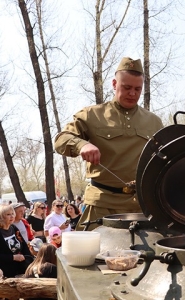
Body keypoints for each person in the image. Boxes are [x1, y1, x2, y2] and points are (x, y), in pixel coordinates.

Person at [54, 57, 164, 230]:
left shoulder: (154, 122)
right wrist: (81, 145)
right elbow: (61, 139)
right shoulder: (92, 115)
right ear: (114, 84)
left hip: (142, 206)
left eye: (137, 89)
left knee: (146, 256)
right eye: (126, 87)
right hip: (101, 205)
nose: (132, 93)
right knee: (89, 255)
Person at [0, 204, 34, 278]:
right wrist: (13, 257)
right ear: (1, 217)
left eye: (12, 213)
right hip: (6, 272)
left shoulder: (13, 228)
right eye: (8, 214)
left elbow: (24, 246)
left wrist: (30, 260)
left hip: (21, 268)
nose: (12, 216)